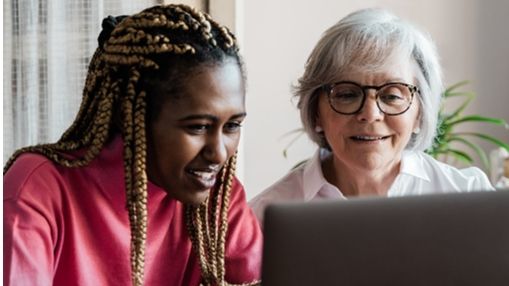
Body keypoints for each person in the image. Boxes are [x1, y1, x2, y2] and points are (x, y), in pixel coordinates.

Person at [4, 4, 261, 286]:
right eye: (197, 127)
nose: (219, 153)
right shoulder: (38, 188)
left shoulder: (218, 196)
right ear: (129, 118)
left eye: (232, 126)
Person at [249, 8, 494, 226]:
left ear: (420, 113)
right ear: (316, 113)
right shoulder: (262, 220)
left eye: (392, 96)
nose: (370, 114)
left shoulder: (472, 197)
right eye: (346, 94)